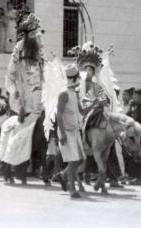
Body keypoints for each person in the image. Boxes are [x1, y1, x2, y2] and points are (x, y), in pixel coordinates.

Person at [0, 11, 44, 185]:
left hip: (37, 98)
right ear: (25, 34)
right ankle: (12, 170)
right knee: (20, 138)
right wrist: (15, 91)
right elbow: (10, 73)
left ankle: (35, 169)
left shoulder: (39, 46)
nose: (34, 34)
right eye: (31, 32)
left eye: (36, 31)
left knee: (41, 136)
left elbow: (44, 68)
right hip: (22, 100)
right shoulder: (19, 47)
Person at [55, 64, 85, 198]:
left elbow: (82, 111)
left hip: (75, 131)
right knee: (73, 160)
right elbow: (59, 114)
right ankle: (72, 188)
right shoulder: (63, 94)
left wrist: (95, 104)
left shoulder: (75, 94)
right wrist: (61, 133)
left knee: (79, 159)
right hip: (66, 131)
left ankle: (63, 175)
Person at [126, 89, 141, 185]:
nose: (133, 97)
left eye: (135, 95)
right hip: (133, 134)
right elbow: (127, 116)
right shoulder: (135, 106)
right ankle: (135, 176)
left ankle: (139, 178)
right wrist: (130, 107)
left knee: (139, 155)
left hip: (139, 134)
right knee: (134, 155)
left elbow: (138, 119)